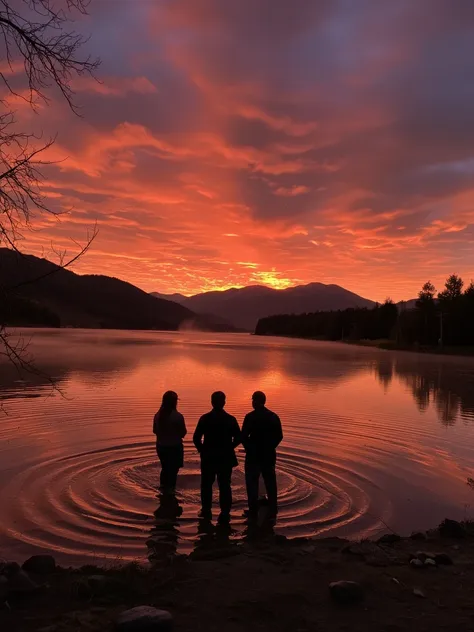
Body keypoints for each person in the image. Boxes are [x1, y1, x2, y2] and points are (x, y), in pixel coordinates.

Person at [193, 391, 241, 523]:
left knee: (206, 485)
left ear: (212, 402)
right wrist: (230, 447)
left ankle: (206, 510)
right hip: (225, 457)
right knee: (225, 485)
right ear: (224, 402)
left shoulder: (205, 418)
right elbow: (239, 437)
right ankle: (225, 512)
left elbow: (196, 438)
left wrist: (202, 450)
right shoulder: (230, 419)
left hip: (209, 457)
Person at [241, 391, 283, 519]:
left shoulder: (250, 417)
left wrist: (249, 448)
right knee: (270, 482)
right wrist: (269, 447)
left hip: (253, 455)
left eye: (253, 400)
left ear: (256, 401)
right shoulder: (273, 416)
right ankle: (273, 509)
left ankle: (253, 510)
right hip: (268, 455)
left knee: (252, 482)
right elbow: (279, 436)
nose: (252, 402)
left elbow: (243, 437)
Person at [153, 390, 187, 493]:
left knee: (165, 469)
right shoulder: (177, 416)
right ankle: (171, 492)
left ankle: (163, 490)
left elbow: (154, 431)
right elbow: (183, 433)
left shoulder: (157, 415)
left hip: (161, 447)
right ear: (175, 402)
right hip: (174, 447)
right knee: (173, 472)